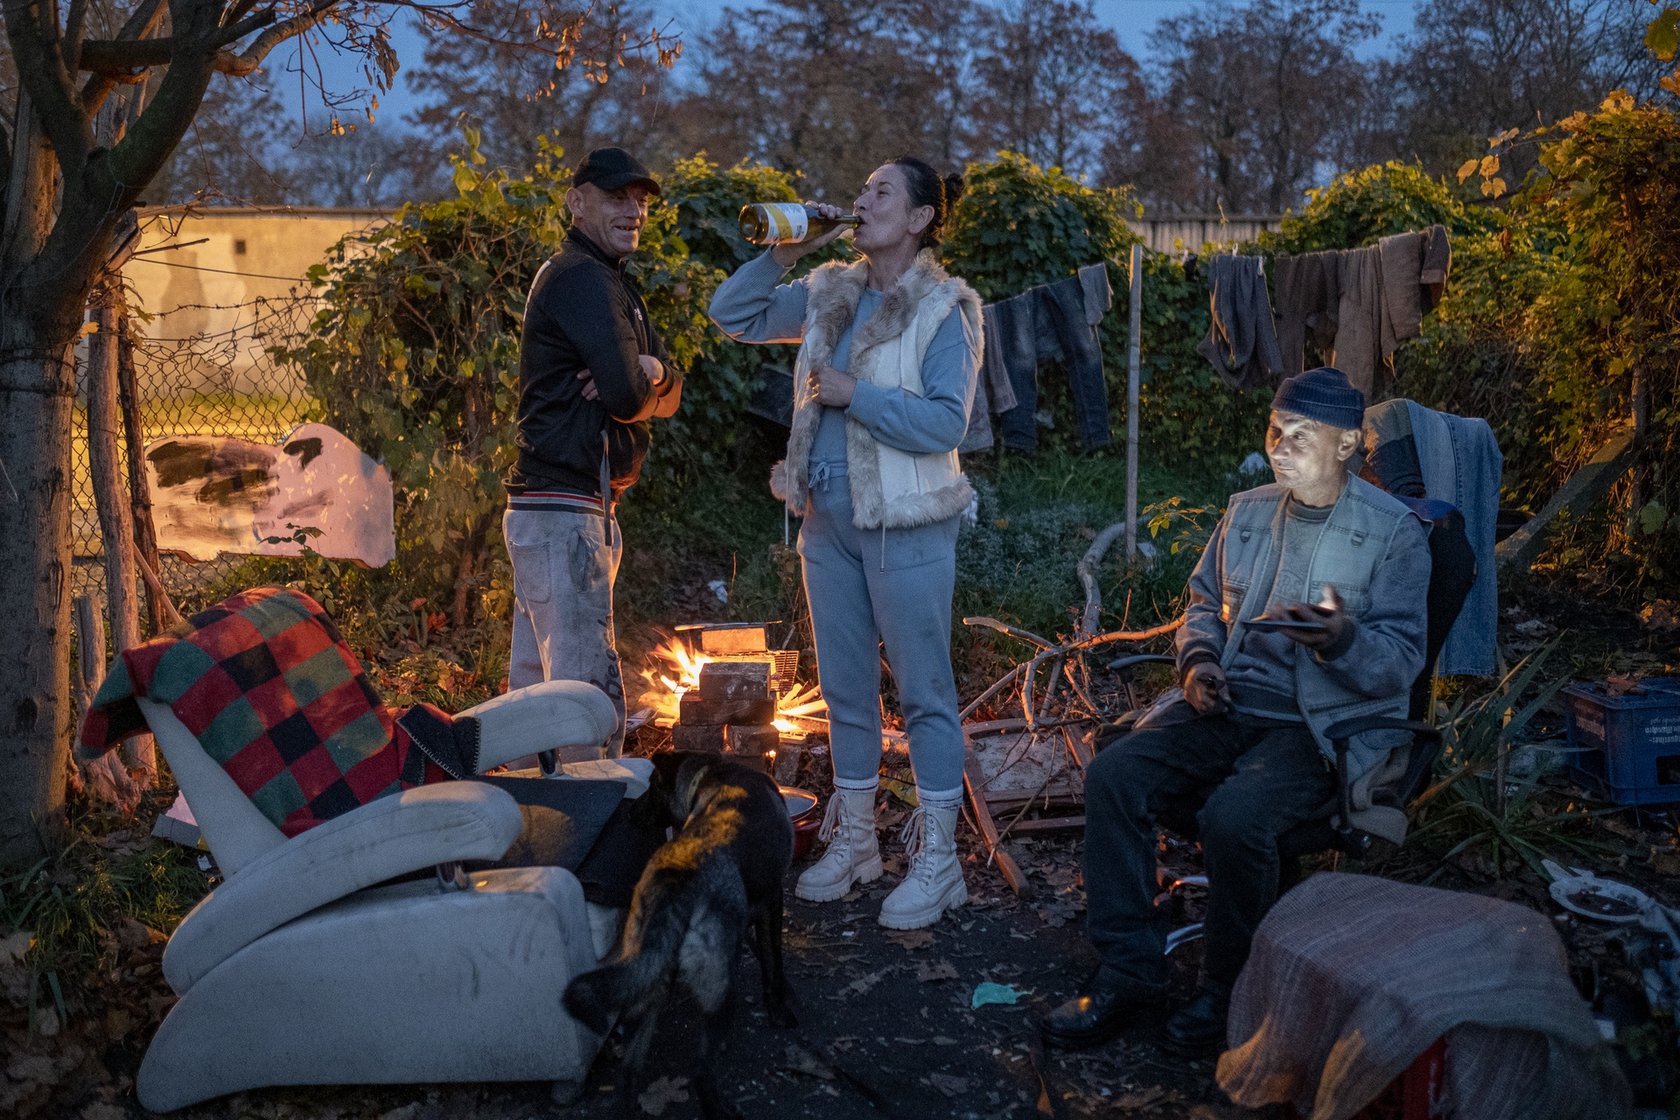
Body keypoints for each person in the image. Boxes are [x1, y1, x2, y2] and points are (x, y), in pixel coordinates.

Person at [1039, 366, 1431, 1055]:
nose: (1281, 446)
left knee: (1235, 817)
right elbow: (1202, 604)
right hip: (1229, 703)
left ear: (1346, 445)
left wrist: (1340, 637)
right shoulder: (1247, 511)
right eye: (1276, 430)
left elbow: (1400, 660)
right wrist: (1199, 665)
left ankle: (1231, 991)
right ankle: (1129, 973)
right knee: (1114, 776)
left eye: (1302, 434)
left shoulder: (1393, 532)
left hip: (1321, 726)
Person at [708, 157, 982, 930]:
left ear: (920, 218)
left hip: (906, 522)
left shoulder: (946, 309)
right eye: (860, 189)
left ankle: (940, 863)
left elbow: (946, 423)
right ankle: (859, 844)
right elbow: (732, 313)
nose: (862, 200)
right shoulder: (829, 290)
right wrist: (785, 251)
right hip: (825, 524)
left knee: (925, 696)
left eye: (880, 191)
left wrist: (855, 394)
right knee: (846, 693)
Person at [504, 146, 682, 758]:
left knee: (538, 695)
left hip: (566, 510)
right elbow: (630, 399)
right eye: (616, 197)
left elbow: (666, 392)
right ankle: (590, 807)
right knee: (584, 696)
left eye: (640, 200)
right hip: (563, 512)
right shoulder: (581, 279)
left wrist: (651, 370)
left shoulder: (612, 282)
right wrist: (640, 383)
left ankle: (525, 803)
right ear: (576, 202)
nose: (633, 211)